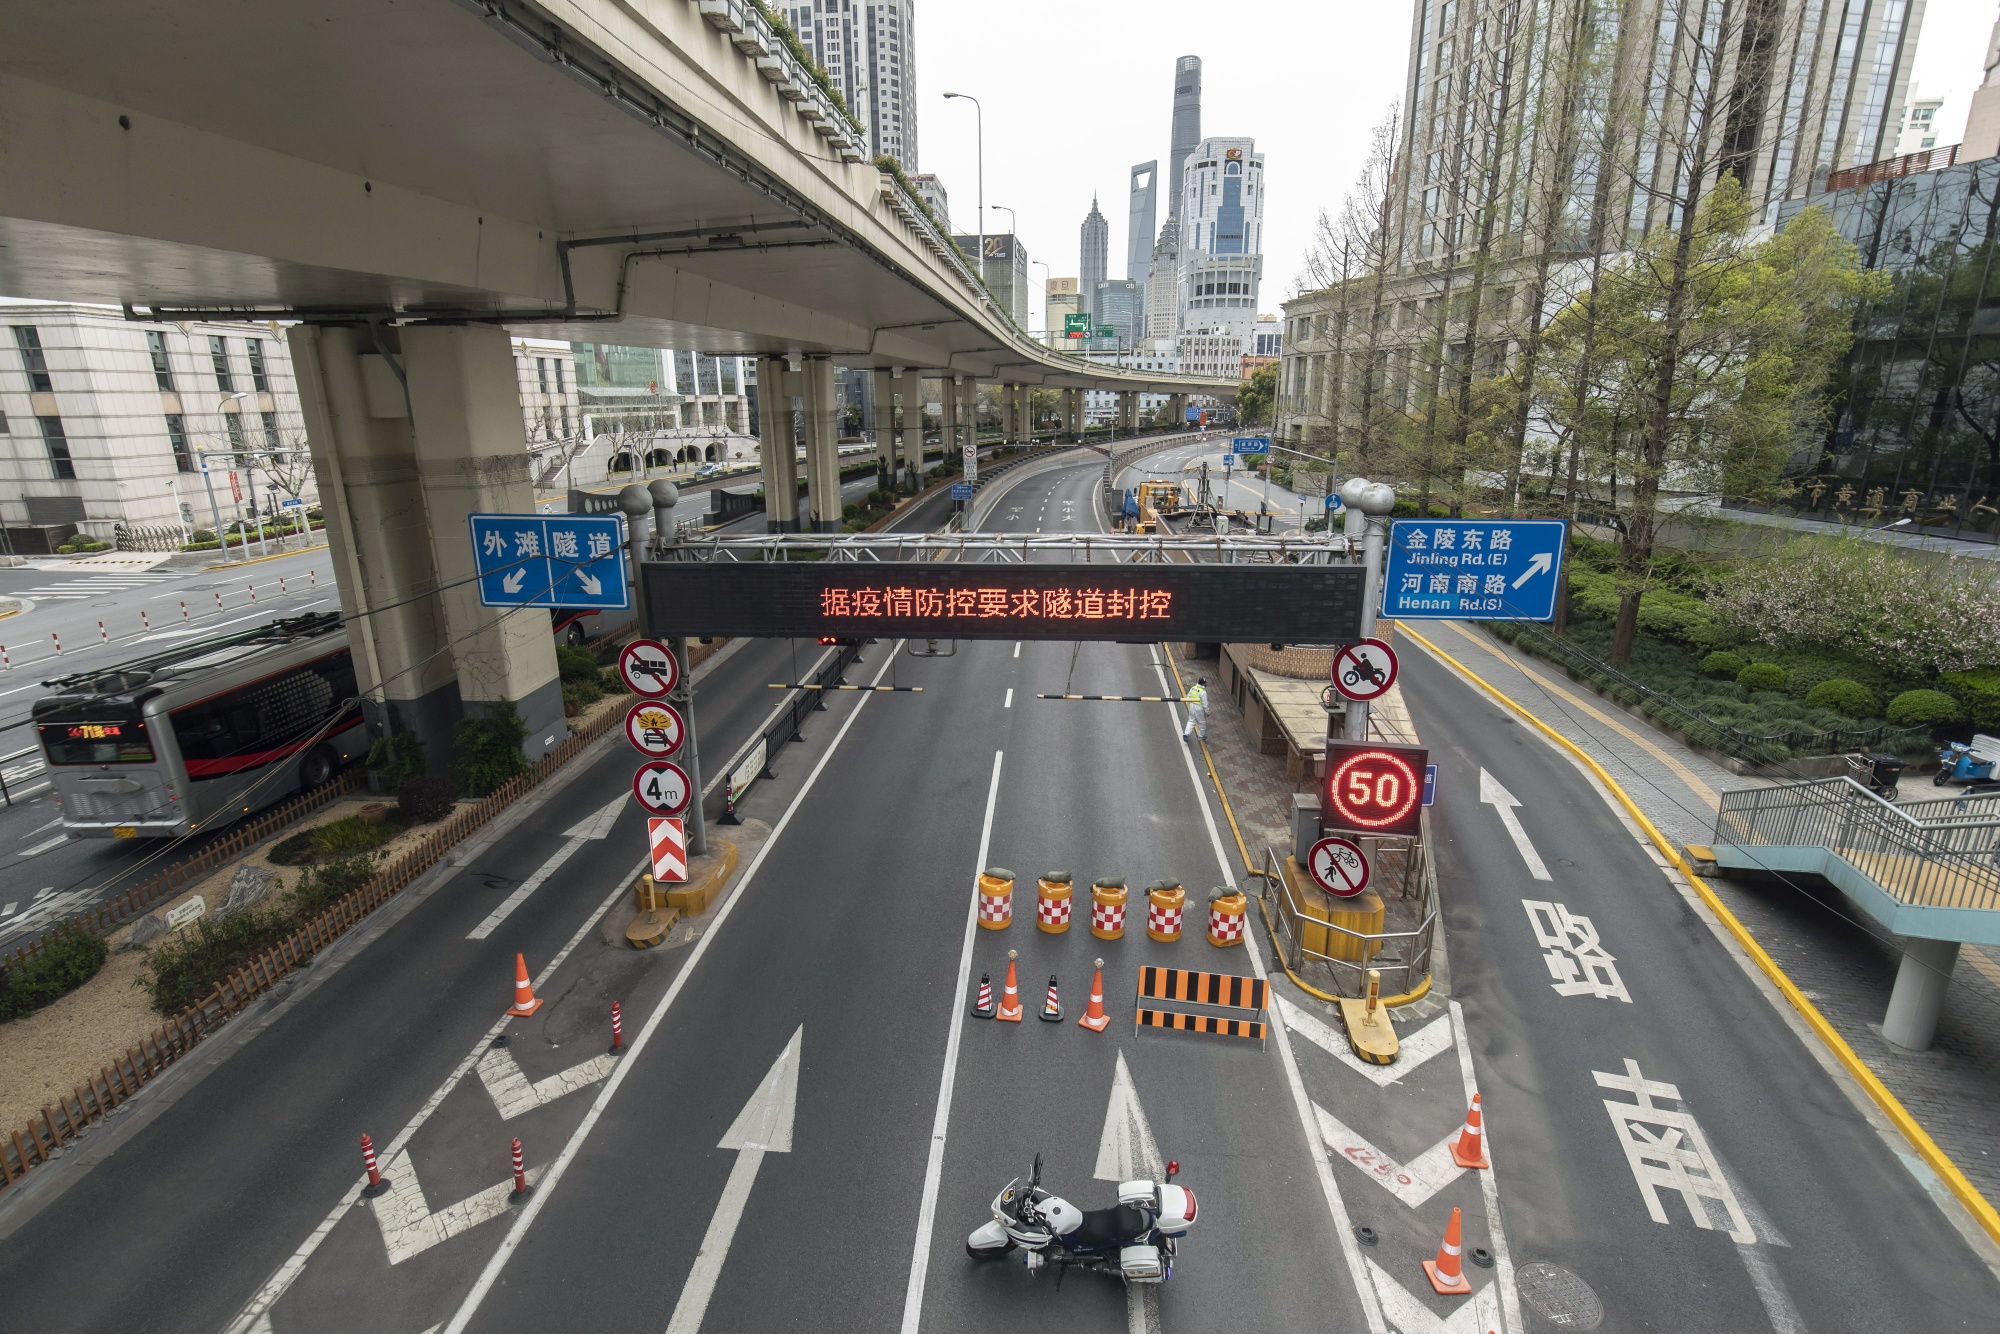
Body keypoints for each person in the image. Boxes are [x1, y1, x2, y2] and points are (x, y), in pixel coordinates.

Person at [1182, 676, 1209, 742]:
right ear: (1203, 684)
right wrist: (1207, 712)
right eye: (1206, 683)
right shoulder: (1203, 692)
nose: (1206, 684)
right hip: (1199, 708)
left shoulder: (1193, 688)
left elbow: (1188, 697)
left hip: (1192, 706)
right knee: (1202, 722)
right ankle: (1201, 736)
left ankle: (1186, 734)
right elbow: (1205, 704)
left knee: (1191, 721)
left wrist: (1190, 704)